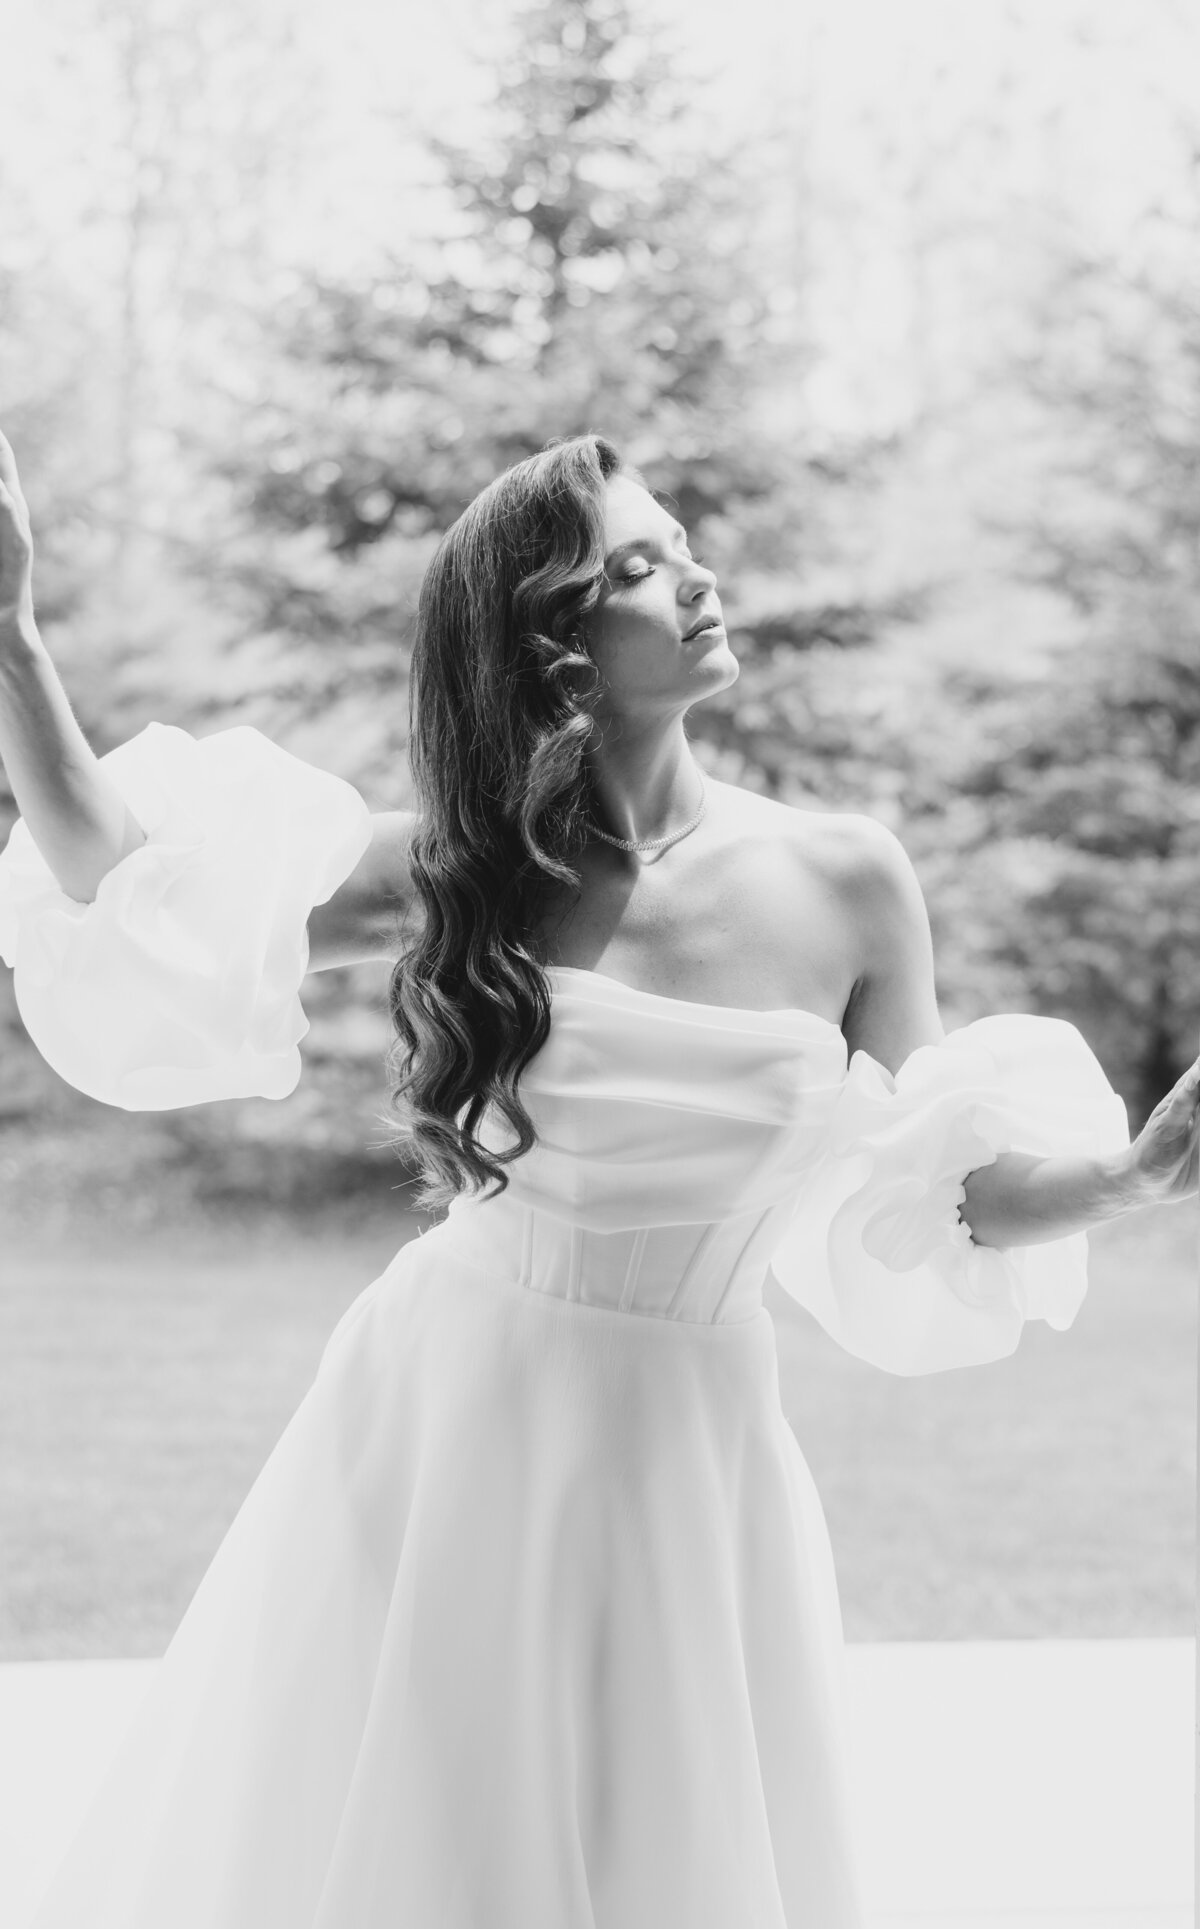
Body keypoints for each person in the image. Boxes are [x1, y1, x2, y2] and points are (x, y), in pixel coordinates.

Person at [0, 425, 1195, 1929]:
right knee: (433, 1847)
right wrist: (14, 631)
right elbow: (122, 881)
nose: (690, 573)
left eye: (678, 541)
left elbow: (923, 1190)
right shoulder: (474, 863)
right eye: (634, 565)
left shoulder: (848, 878)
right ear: (556, 645)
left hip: (695, 1451)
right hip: (450, 1420)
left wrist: (1128, 1175)